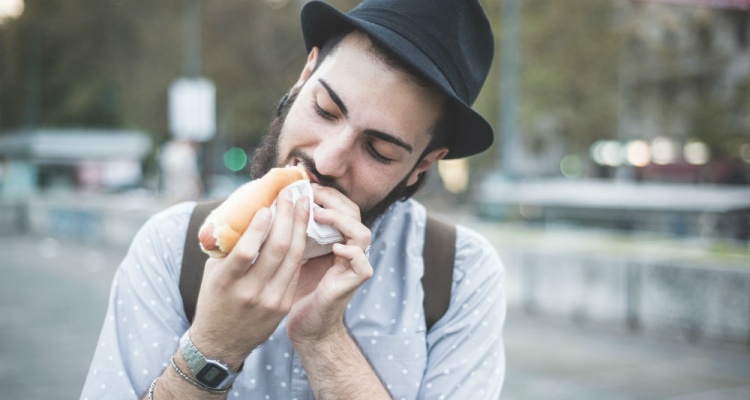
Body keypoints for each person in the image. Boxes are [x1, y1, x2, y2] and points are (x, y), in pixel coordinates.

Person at [81, 0, 506, 399]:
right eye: (324, 109)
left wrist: (324, 340)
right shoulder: (172, 245)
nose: (326, 159)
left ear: (422, 166)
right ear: (304, 78)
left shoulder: (461, 275)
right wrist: (212, 346)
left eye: (379, 151)